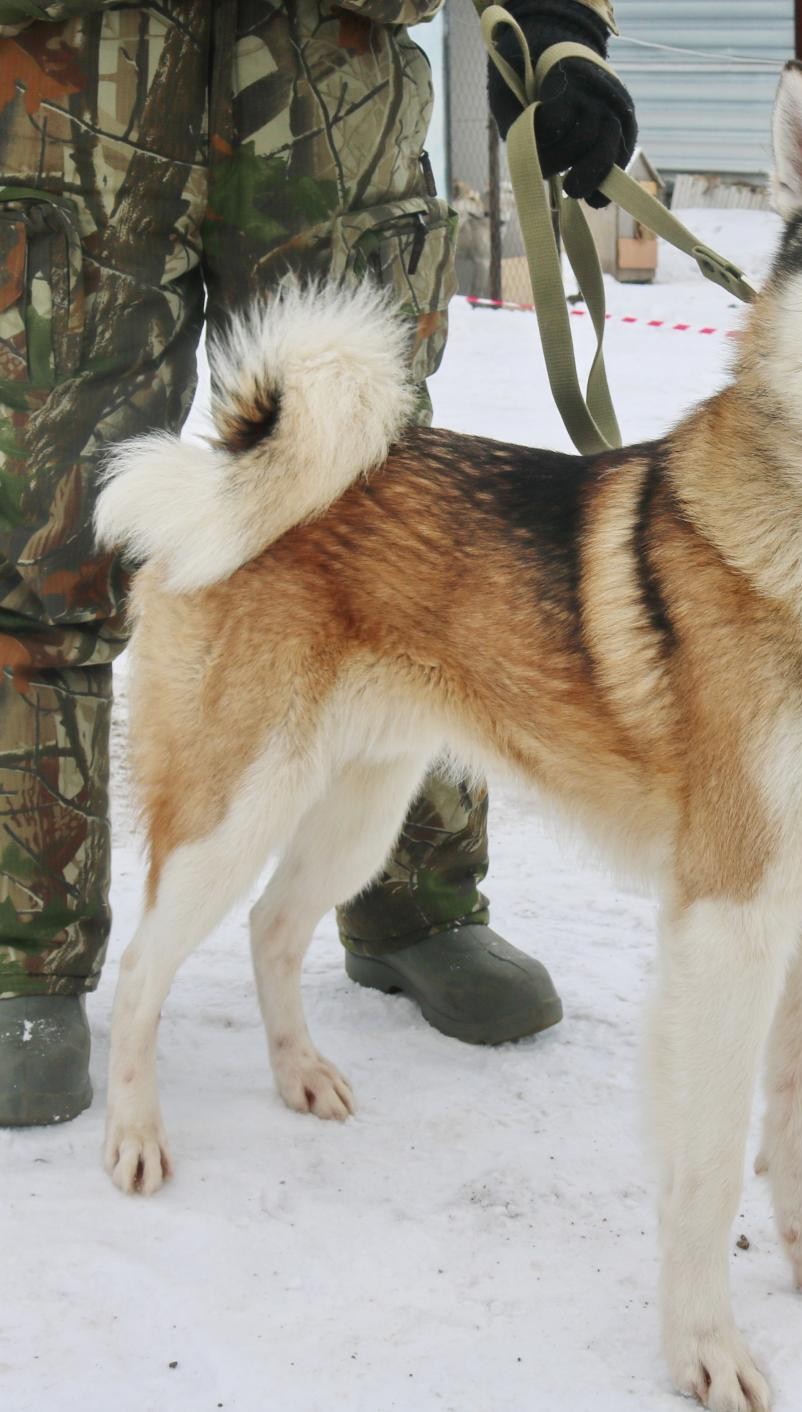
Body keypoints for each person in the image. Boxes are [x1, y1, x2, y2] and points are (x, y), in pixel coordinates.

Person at [0, 0, 637, 1124]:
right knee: (35, 530)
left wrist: (552, 23)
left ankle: (418, 907)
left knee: (382, 505)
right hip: (63, 65)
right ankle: (23, 947)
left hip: (326, 62)